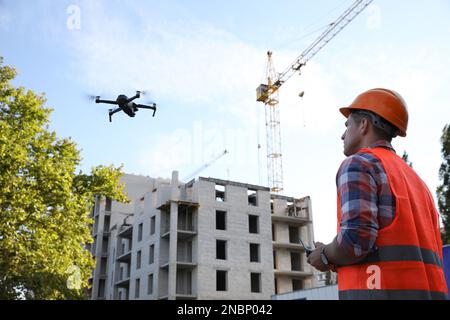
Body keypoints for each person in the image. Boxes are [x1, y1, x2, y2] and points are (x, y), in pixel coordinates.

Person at [307, 88, 449, 300]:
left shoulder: (358, 164)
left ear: (364, 125)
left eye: (348, 126)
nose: (343, 135)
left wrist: (325, 255)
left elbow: (355, 242)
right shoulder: (418, 183)